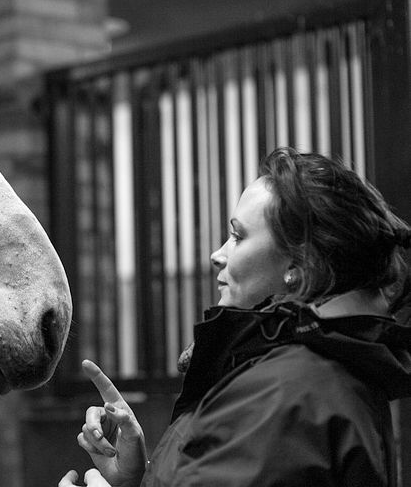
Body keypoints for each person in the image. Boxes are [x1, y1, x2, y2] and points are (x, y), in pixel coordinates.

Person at [59, 147, 411, 487]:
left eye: (238, 236)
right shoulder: (287, 373)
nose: (217, 255)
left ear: (299, 265)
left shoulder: (284, 394)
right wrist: (138, 478)